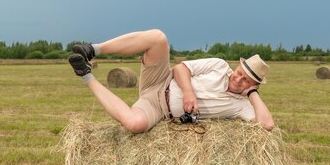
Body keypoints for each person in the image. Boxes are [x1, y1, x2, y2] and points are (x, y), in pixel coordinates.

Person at [68, 29, 275, 133]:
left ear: (253, 85)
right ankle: (93, 49)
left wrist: (252, 94)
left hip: (158, 107)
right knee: (158, 37)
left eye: (246, 80)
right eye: (239, 72)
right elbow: (180, 68)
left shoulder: (241, 106)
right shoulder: (219, 66)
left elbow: (267, 125)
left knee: (134, 124)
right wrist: (188, 92)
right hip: (162, 78)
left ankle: (85, 74)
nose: (237, 78)